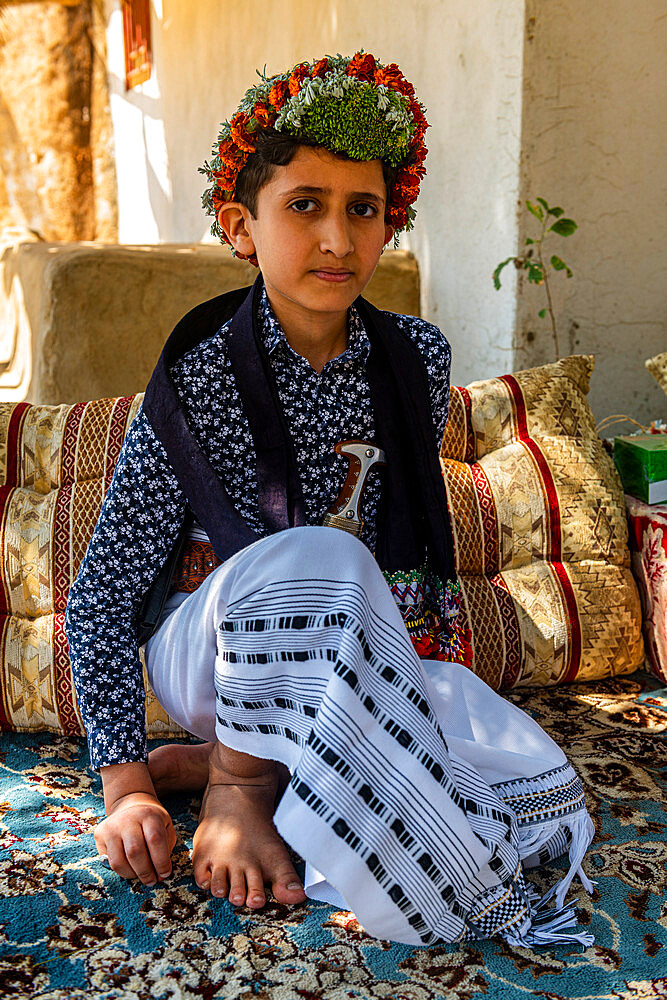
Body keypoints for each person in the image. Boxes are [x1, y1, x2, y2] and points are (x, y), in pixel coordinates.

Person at [65, 52, 595, 948]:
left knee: (519, 770)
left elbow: (399, 535)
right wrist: (123, 784)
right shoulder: (199, 379)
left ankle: (250, 772)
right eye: (303, 206)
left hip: (340, 644)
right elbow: (102, 596)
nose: (337, 241)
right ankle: (235, 782)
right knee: (321, 554)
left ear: (391, 225)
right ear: (241, 226)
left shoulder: (415, 360)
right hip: (214, 650)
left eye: (363, 210)